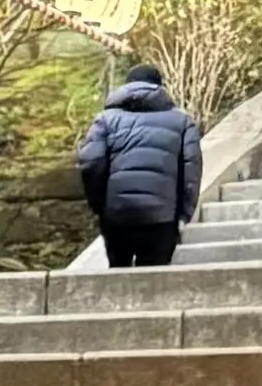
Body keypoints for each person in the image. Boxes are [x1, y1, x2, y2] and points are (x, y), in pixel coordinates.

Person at [76, 59, 203, 267]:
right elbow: (191, 172)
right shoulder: (182, 122)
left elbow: (91, 163)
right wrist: (183, 214)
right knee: (153, 280)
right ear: (160, 87)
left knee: (119, 273)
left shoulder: (105, 120)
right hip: (161, 216)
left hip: (117, 215)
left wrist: (101, 207)